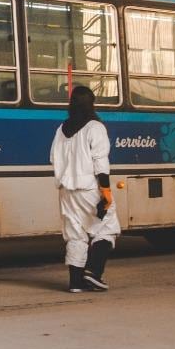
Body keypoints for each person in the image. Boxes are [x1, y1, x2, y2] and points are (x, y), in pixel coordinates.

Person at [50, 86, 120, 293]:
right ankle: (93, 273)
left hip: (66, 190)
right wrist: (105, 192)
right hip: (89, 187)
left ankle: (75, 283)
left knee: (75, 234)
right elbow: (100, 162)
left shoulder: (62, 129)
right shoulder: (94, 127)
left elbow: (54, 158)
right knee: (107, 227)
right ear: (92, 104)